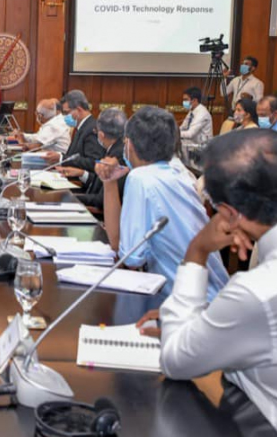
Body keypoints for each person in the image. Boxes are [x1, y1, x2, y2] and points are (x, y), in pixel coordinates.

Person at [140, 128, 277, 437]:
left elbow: (176, 360)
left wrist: (197, 250)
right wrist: (209, 317)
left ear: (228, 213)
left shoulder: (261, 290)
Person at [96, 107, 228, 299]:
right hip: (207, 294)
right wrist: (110, 183)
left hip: (190, 302)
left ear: (129, 145)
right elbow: (119, 244)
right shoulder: (177, 171)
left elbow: (130, 258)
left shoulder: (141, 178)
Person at [48, 90, 105, 187]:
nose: (64, 117)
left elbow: (92, 162)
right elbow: (75, 155)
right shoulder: (81, 127)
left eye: (67, 112)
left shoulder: (91, 129)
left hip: (82, 185)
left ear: (79, 110)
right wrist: (60, 157)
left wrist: (62, 158)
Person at [74, 108, 127, 211]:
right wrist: (82, 174)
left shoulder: (117, 157)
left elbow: (100, 201)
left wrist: (70, 198)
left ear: (101, 135)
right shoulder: (114, 149)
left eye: (96, 131)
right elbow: (98, 184)